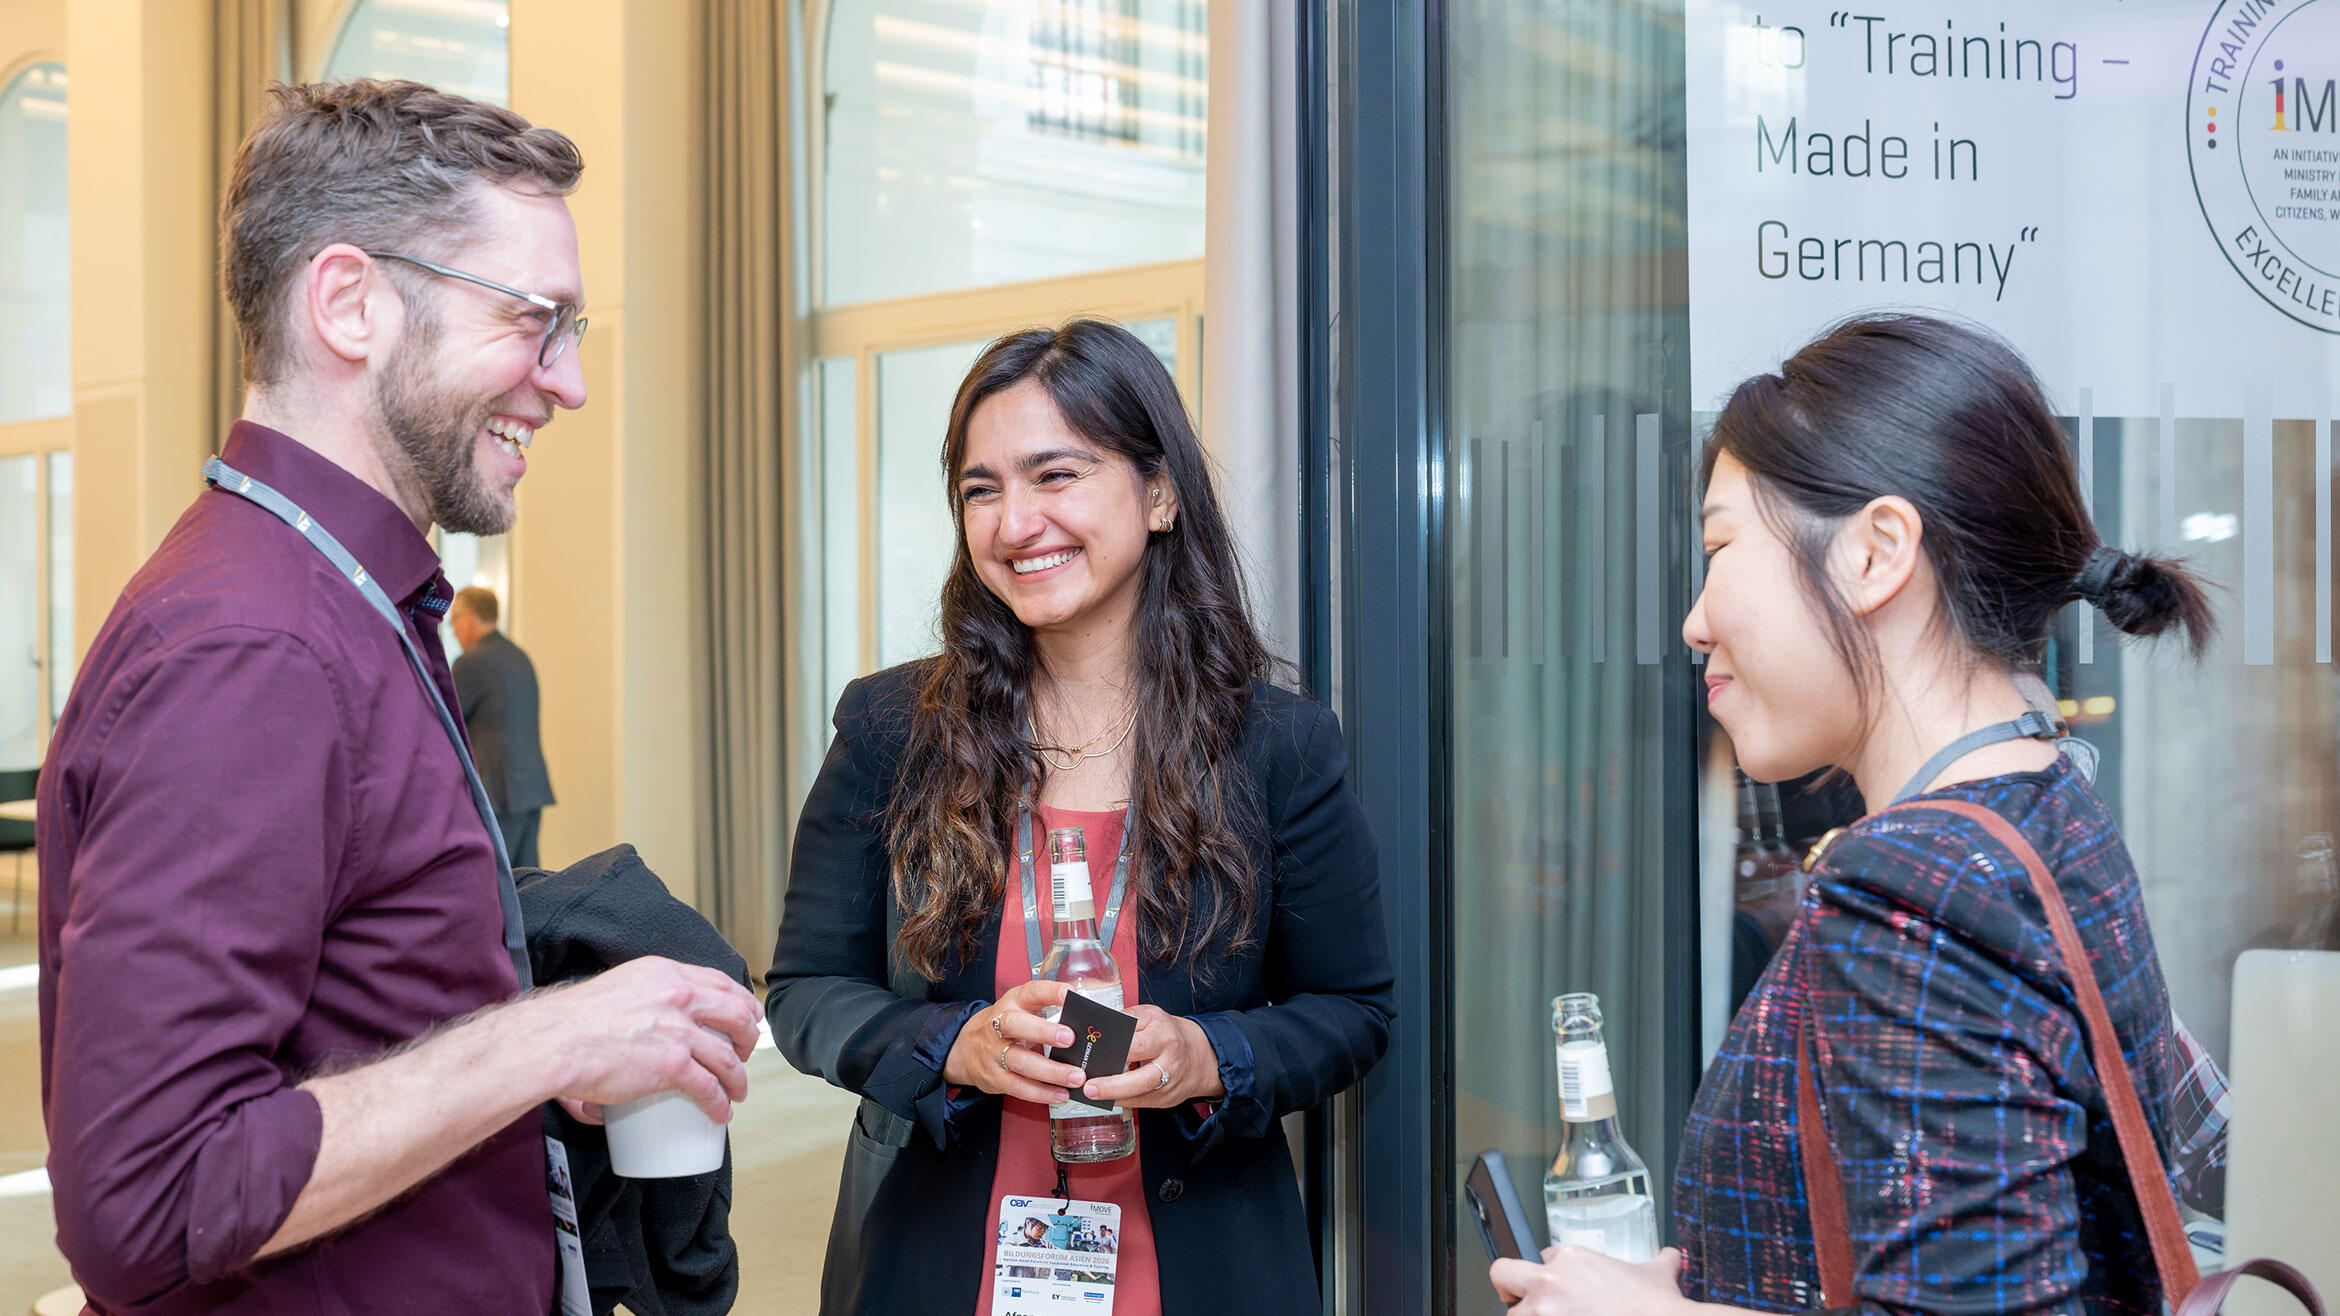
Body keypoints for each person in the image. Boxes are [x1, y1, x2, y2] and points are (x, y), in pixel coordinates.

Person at [35, 80, 761, 1313]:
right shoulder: (255, 647)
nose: (567, 381)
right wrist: (543, 1038)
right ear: (350, 303)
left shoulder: (339, 597)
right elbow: (147, 1201)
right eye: (535, 319)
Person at [1493, 314, 2218, 1314]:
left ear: (1877, 553)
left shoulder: (1921, 888)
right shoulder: (2050, 802)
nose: (1695, 619)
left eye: (1721, 545)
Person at [767, 318, 1395, 1315]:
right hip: (944, 1266)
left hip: (1197, 1266)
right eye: (983, 489)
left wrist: (1207, 1057)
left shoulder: (1276, 745)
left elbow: (1353, 1010)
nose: (1016, 522)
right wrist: (951, 1043)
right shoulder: (893, 728)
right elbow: (805, 989)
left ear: (1157, 492)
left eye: (1055, 476)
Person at [451, 585, 556, 866]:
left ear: (470, 617)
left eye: (454, 621)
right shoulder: (519, 657)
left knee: (493, 885)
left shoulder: (471, 663)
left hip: (497, 790)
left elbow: (446, 723)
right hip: (529, 788)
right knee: (528, 885)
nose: (452, 630)